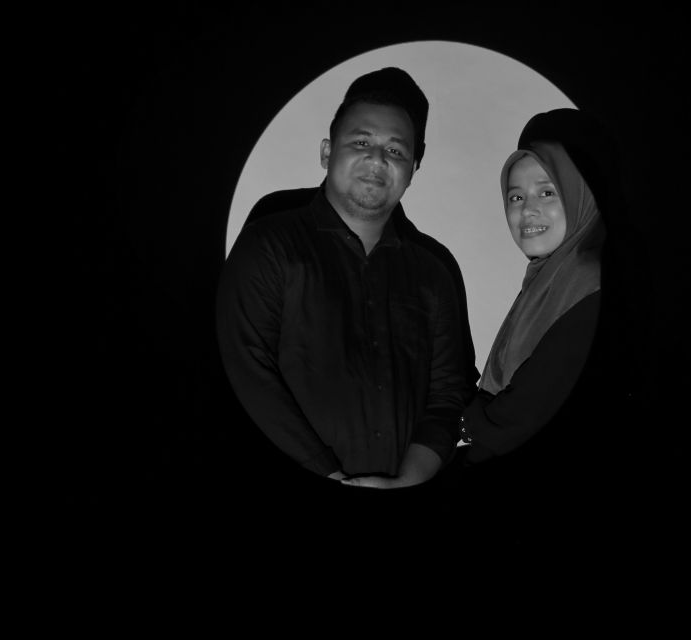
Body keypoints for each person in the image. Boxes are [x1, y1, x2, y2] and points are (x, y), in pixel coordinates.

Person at [216, 67, 477, 489]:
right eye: (360, 141)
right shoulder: (271, 238)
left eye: (396, 148)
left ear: (415, 163)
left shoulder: (435, 270)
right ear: (328, 150)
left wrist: (407, 480)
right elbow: (243, 365)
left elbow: (451, 394)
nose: (377, 159)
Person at [453, 109, 650, 534]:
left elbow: (518, 420)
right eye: (516, 197)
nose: (528, 211)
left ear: (582, 192)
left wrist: (459, 414)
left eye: (548, 191)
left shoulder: (589, 284)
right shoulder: (551, 280)